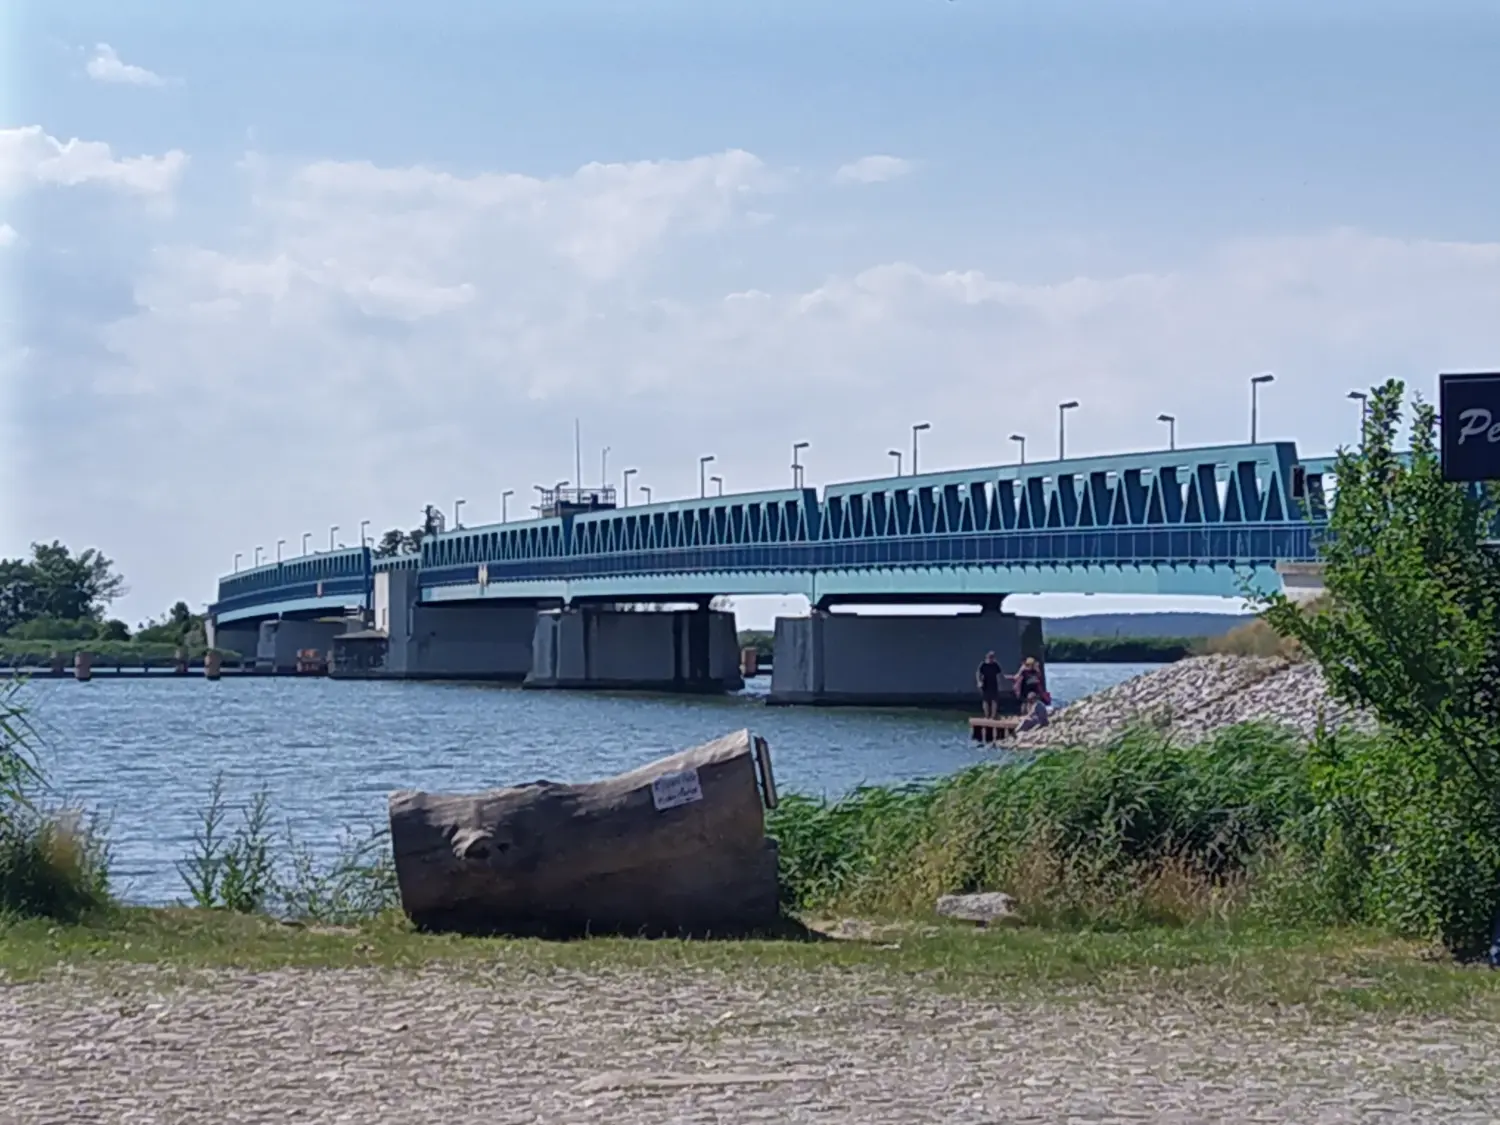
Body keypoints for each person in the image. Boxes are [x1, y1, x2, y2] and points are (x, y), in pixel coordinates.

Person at [976, 650, 1003, 718]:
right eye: (990, 657)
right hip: (985, 684)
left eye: (992, 657)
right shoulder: (983, 664)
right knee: (986, 700)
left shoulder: (995, 665)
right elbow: (978, 673)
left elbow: (999, 674)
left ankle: (993, 715)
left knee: (994, 700)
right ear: (987, 657)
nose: (991, 659)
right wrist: (979, 682)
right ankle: (986, 715)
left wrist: (1000, 684)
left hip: (994, 684)